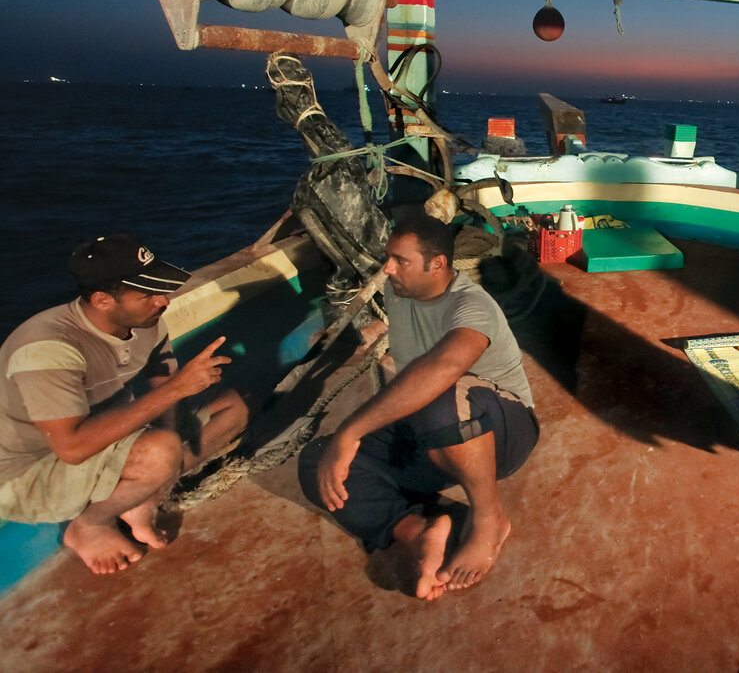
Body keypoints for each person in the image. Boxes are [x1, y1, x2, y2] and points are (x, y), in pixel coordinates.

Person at [299, 210, 539, 601]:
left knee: (439, 391)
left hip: (502, 432)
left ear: (438, 264)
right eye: (388, 257)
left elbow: (442, 368)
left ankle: (488, 516)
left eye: (400, 261)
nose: (387, 268)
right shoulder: (398, 291)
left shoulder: (471, 306)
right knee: (320, 461)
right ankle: (417, 530)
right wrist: (344, 443)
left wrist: (352, 430)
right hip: (434, 430)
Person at [0, 234, 248, 574]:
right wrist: (172, 407)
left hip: (108, 432)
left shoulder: (142, 320)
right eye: (148, 294)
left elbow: (161, 376)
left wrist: (164, 450)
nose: (164, 301)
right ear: (102, 300)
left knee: (232, 409)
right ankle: (89, 526)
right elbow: (71, 448)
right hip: (27, 471)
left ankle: (139, 497)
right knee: (161, 449)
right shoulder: (47, 349)